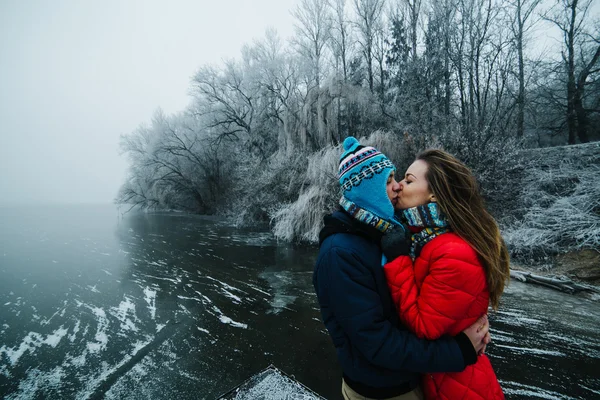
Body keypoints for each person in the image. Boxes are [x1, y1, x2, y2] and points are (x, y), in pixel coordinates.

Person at [314, 137, 491, 400]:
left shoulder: (386, 232)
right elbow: (378, 343)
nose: (397, 187)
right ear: (368, 190)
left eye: (401, 179)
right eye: (388, 181)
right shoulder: (340, 254)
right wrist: (459, 350)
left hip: (412, 379)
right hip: (383, 392)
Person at [382, 149, 509, 399]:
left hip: (460, 388)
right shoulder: (423, 238)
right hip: (443, 379)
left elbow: (425, 326)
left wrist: (397, 261)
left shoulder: (452, 251)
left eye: (408, 180)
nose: (398, 187)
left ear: (434, 194)